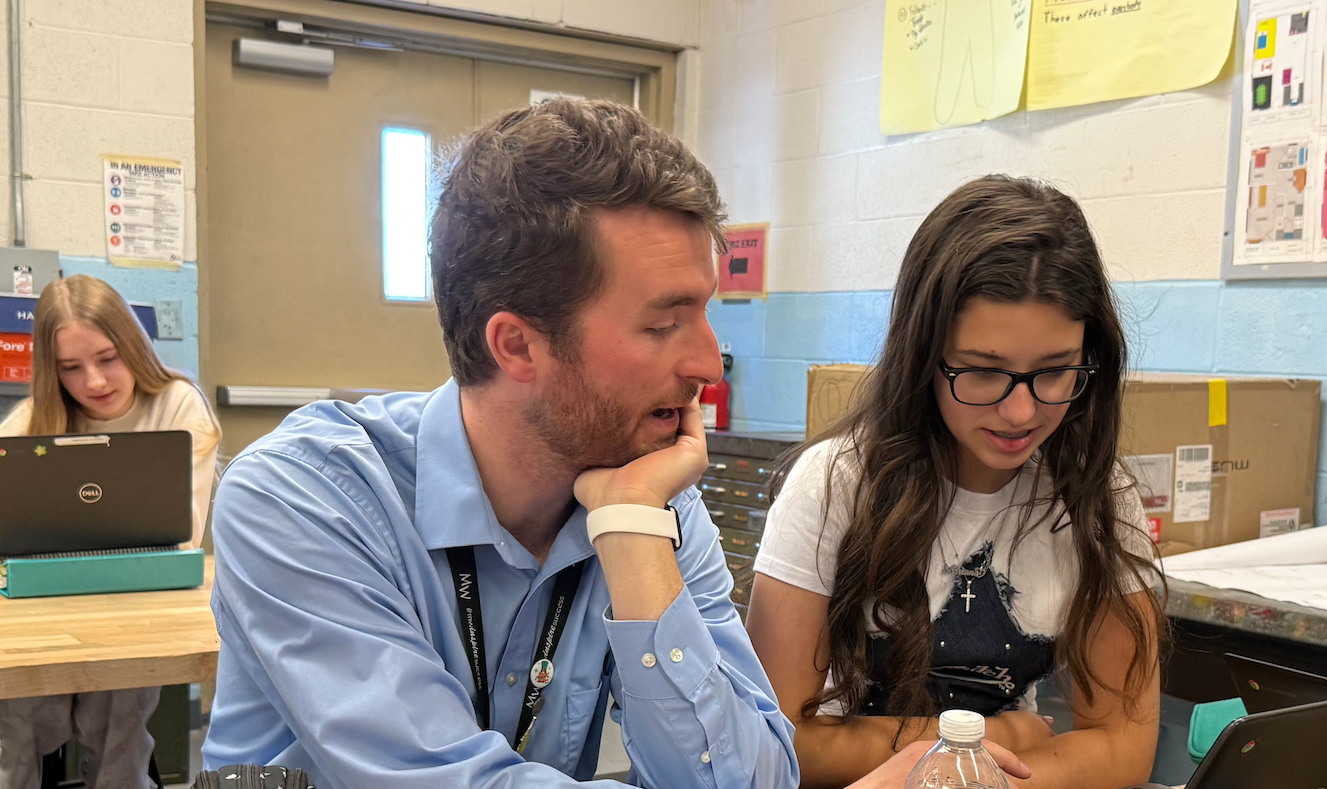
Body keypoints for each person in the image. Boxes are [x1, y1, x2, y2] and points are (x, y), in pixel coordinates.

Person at [201, 99, 798, 789]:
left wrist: (633, 533)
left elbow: (753, 780)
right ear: (517, 345)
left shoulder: (646, 496)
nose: (705, 363)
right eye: (664, 324)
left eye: (705, 312)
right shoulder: (302, 497)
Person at [748, 175, 1165, 789]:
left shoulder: (1098, 499)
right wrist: (991, 738)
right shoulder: (834, 485)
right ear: (924, 355)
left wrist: (967, 773)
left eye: (1053, 372)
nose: (1021, 413)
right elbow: (779, 744)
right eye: (982, 372)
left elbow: (1124, 745)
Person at [0, 274, 222, 789]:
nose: (95, 383)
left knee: (117, 738)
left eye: (107, 358)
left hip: (135, 606)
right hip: (45, 612)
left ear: (133, 346)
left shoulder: (178, 406)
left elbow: (181, 534)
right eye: (71, 369)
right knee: (20, 730)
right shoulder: (33, 422)